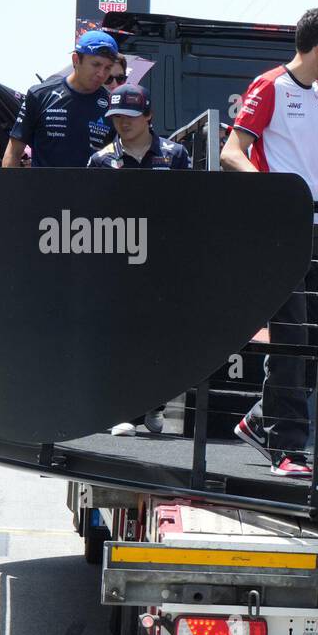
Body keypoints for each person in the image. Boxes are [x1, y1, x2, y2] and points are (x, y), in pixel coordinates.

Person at [223, 5, 318, 478]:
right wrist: (277, 194)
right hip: (280, 229)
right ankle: (286, 446)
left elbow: (317, 167)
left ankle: (263, 421)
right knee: (294, 338)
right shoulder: (270, 85)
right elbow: (231, 153)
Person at [87, 83, 191, 436]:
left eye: (130, 116)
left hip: (162, 260)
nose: (123, 123)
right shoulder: (100, 160)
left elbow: (187, 206)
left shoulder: (176, 155)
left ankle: (153, 406)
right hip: (117, 258)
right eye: (116, 117)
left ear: (148, 115)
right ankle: (122, 410)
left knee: (158, 337)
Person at [3, 30, 118, 169]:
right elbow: (13, 152)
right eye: (96, 64)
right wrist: (12, 190)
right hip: (43, 189)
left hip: (92, 189)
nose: (101, 73)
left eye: (108, 68)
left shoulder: (112, 105)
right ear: (76, 60)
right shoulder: (39, 95)